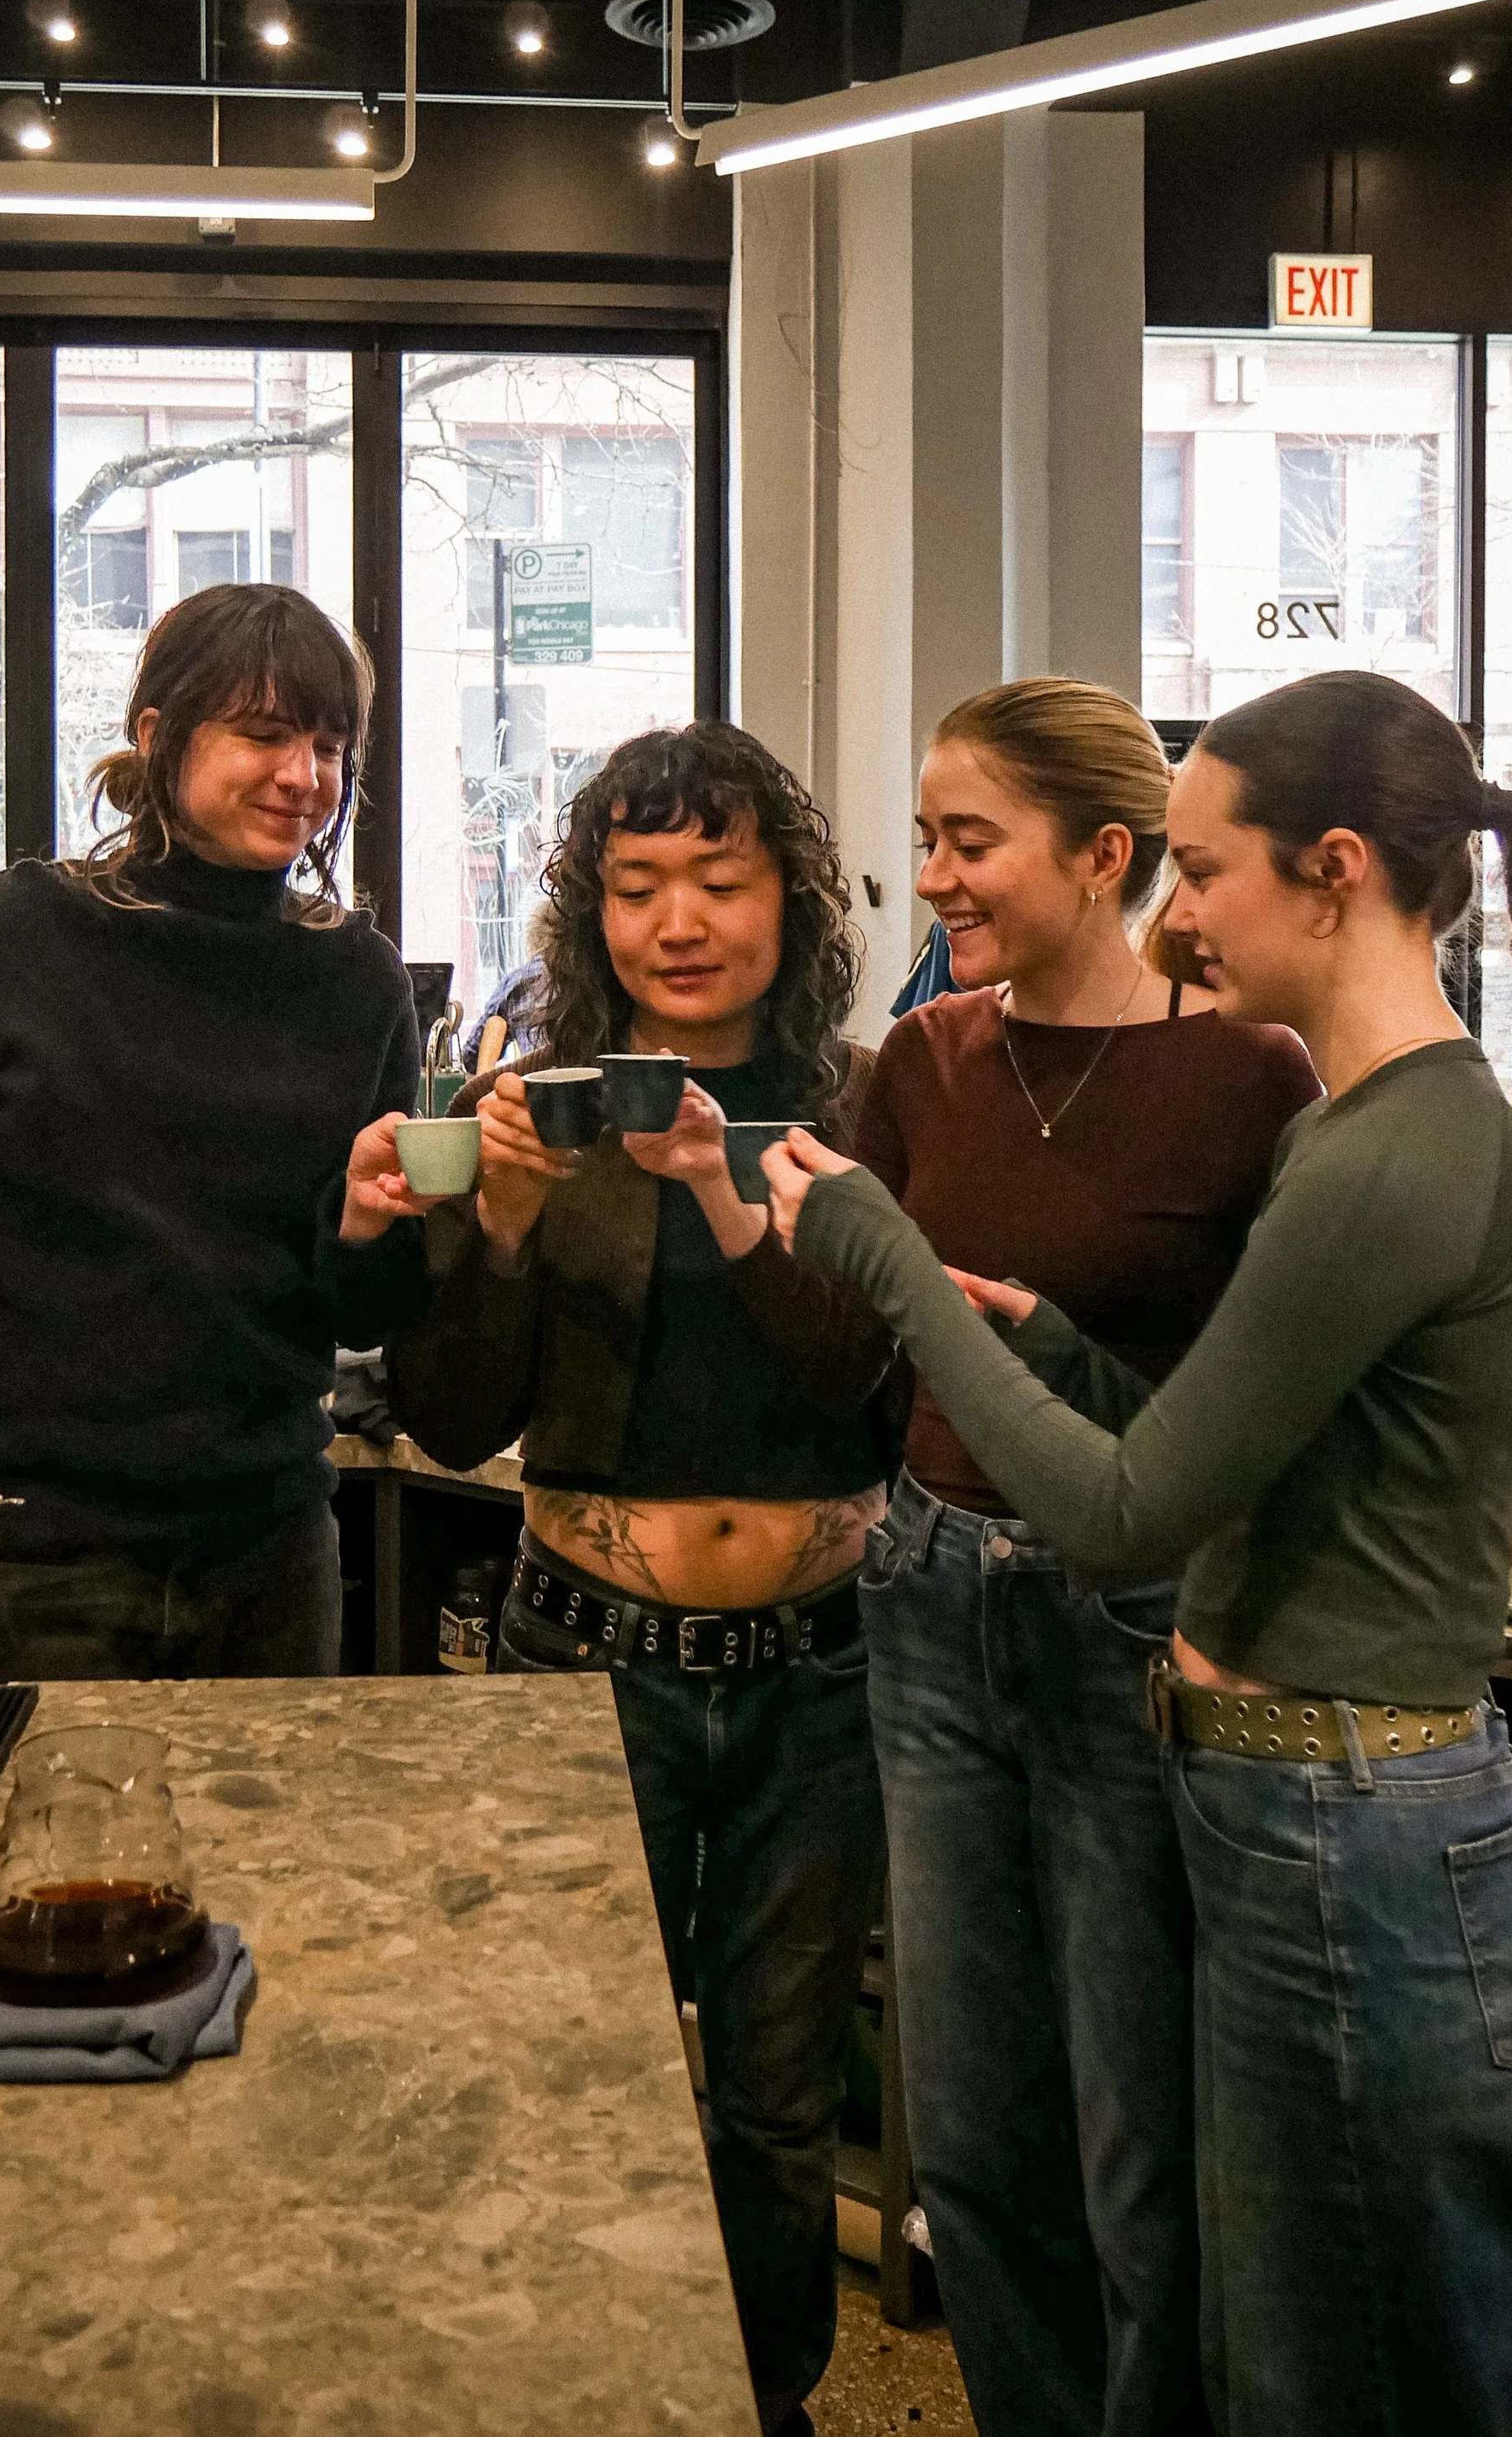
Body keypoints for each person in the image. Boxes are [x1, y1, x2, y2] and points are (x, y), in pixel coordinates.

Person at [767, 670, 1512, 2437]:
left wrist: (880, 1251)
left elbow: (1123, 1517)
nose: (1178, 909)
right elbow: (1244, 1452)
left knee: (1341, 2375)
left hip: (1356, 1840)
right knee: (1288, 2362)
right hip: (1301, 1818)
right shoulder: (1372, 1132)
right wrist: (1050, 1343)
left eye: (1202, 869)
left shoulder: (1380, 1153)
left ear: (1335, 873)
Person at [336, 722, 896, 2437]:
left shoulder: (867, 1104)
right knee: (569, 2061)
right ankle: (573, 2390)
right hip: (578, 1662)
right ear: (592, 913)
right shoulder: (534, 1102)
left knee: (779, 2084)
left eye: (719, 881)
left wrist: (728, 1195)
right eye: (637, 885)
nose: (679, 919)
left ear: (788, 901)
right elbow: (445, 1418)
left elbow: (870, 1391)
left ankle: (767, 2401)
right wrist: (488, 1222)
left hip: (819, 1671)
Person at [844, 679, 1318, 2437]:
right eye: (927, 842)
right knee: (968, 2136)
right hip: (925, 1591)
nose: (938, 878)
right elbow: (853, 1344)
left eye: (969, 843)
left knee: (1139, 2136)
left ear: (1102, 854)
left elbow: (1274, 1394)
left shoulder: (1248, 1077)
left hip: (1130, 1617)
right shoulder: (922, 1062)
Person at [0, 583, 418, 1682]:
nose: (303, 776)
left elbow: (365, 1311)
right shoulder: (4, 943)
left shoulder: (358, 981)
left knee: (274, 1860)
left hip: (267, 1561)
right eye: (264, 736)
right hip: (22, 1565)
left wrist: (368, 1228)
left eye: (329, 746)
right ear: (158, 738)